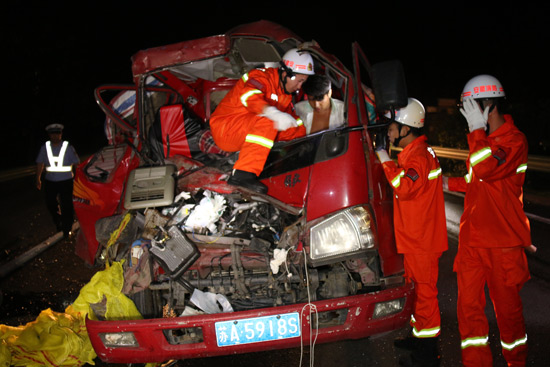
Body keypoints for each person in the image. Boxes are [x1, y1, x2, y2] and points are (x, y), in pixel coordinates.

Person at [444, 74, 532, 366]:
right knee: (469, 315)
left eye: (471, 106)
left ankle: (516, 362)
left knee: (509, 318)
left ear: (489, 106)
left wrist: (476, 131)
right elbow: (476, 181)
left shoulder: (514, 141)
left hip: (502, 244)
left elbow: (486, 169)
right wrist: (448, 183)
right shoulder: (483, 140)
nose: (467, 112)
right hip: (473, 242)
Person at [375, 98, 448, 366]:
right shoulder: (415, 153)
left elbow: (404, 188)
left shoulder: (418, 156)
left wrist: (385, 161)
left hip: (422, 240)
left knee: (425, 294)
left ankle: (428, 353)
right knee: (416, 291)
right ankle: (419, 336)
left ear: (406, 129)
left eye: (393, 127)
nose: (389, 132)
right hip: (417, 238)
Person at [210, 48, 314, 194]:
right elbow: (250, 96)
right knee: (270, 121)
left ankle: (280, 166)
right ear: (286, 73)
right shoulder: (260, 77)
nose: (299, 87)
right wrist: (271, 112)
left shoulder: (284, 95)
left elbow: (291, 124)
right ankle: (242, 174)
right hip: (226, 129)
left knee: (292, 126)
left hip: (244, 131)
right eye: (299, 81)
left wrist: (305, 141)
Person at [36, 123, 80, 238]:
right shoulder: (44, 147)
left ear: (61, 134)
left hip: (66, 181)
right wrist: (38, 178)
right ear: (49, 135)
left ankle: (67, 229)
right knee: (51, 204)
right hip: (50, 181)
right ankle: (58, 220)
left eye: (57, 133)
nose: (55, 136)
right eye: (52, 134)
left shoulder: (68, 147)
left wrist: (78, 178)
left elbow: (76, 163)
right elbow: (40, 163)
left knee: (67, 205)